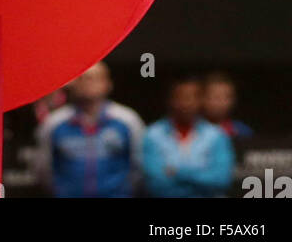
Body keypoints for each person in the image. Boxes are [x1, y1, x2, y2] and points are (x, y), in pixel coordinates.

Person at [36, 63, 144, 198]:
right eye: (82, 78)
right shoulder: (53, 123)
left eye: (94, 78)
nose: (87, 82)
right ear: (73, 84)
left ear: (108, 84)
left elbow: (139, 166)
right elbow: (44, 170)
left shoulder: (128, 120)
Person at [142, 77, 234, 198]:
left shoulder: (216, 135)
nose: (186, 103)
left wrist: (176, 172)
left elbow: (221, 180)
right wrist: (199, 176)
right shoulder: (153, 134)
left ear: (200, 101)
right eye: (181, 97)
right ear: (171, 100)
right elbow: (156, 184)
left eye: (191, 98)